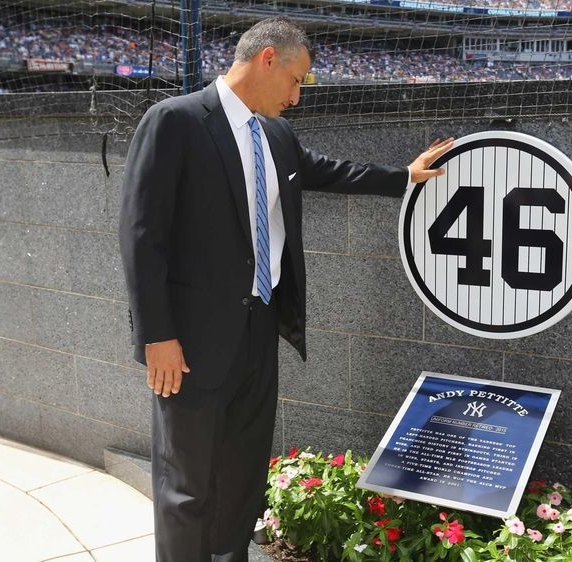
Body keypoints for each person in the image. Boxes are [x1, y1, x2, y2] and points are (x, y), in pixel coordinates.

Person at [118, 16, 454, 562]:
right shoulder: (175, 121)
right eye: (297, 80)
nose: (298, 96)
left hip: (259, 331)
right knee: (186, 486)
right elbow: (140, 236)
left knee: (243, 479)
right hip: (188, 346)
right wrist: (157, 335)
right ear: (267, 58)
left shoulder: (275, 133)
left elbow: (326, 171)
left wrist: (403, 177)